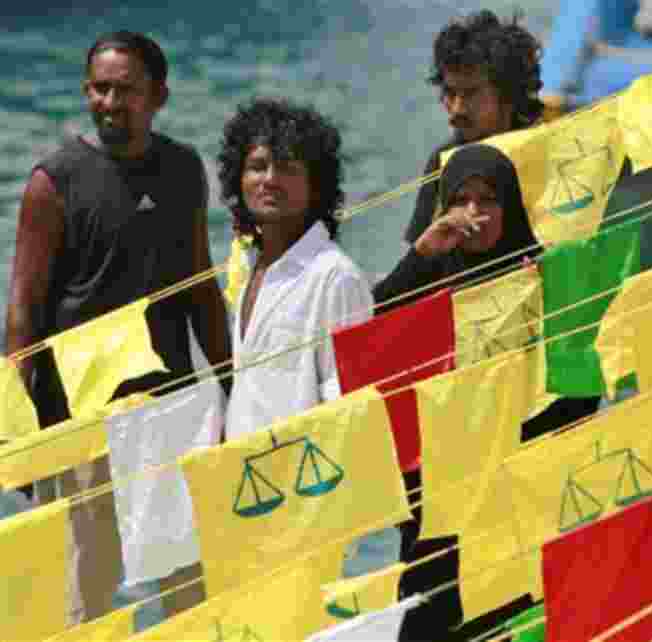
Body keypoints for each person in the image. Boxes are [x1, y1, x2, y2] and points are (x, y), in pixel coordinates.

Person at [4, 32, 231, 623]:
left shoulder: (182, 169)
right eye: (99, 88)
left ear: (158, 96)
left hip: (169, 410)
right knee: (85, 597)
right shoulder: (51, 183)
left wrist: (234, 384)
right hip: (81, 421)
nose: (109, 102)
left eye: (124, 90)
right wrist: (25, 431)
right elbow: (24, 310)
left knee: (190, 588)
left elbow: (201, 285)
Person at [375, 144, 600, 641]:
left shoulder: (543, 278)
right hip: (435, 493)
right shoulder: (430, 274)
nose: (474, 215)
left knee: (507, 620)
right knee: (425, 619)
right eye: (461, 200)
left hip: (513, 492)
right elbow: (371, 341)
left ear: (512, 207)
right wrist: (421, 253)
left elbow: (583, 390)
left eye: (488, 201)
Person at [218, 97, 373, 441]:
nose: (269, 179)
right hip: (249, 479)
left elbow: (349, 404)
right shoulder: (251, 269)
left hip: (308, 481)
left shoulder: (335, 277)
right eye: (258, 166)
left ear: (315, 184)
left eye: (287, 168)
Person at [401, 9, 545, 246]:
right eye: (450, 93)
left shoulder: (545, 149)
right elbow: (419, 260)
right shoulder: (442, 162)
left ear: (507, 93)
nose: (457, 109)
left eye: (470, 93)